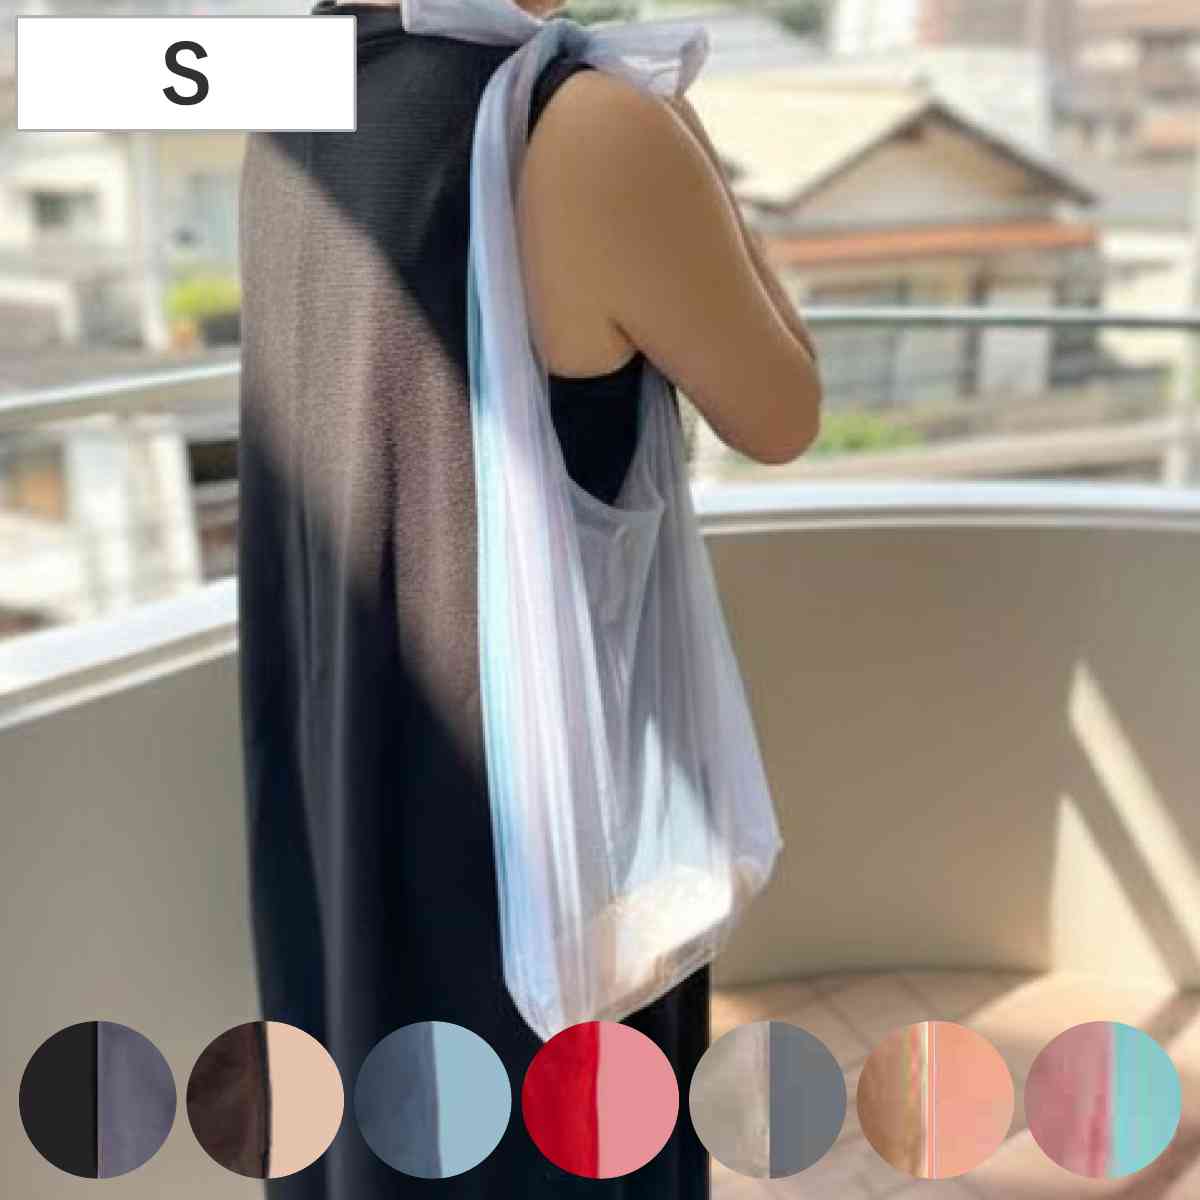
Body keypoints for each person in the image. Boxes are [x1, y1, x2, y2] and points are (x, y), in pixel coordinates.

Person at [236, 2, 821, 1197]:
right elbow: (784, 409)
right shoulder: (587, 126)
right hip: (534, 828)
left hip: (342, 769)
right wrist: (676, 131)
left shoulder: (292, 97)